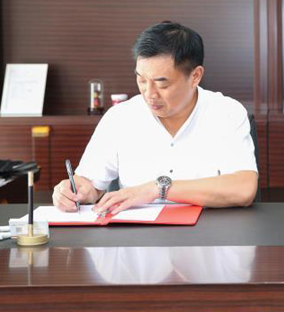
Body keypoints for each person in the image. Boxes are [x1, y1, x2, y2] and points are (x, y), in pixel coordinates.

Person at [53, 21, 258, 214]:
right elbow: (89, 184)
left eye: (162, 84)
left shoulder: (225, 112)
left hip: (209, 231)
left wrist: (157, 189)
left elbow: (244, 189)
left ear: (195, 76)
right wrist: (75, 192)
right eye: (141, 80)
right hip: (136, 235)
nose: (149, 94)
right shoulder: (120, 118)